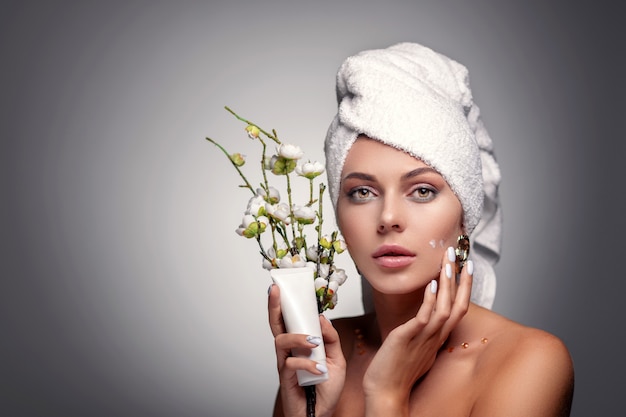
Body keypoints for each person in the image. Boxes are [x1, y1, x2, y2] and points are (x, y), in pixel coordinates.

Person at [267, 42, 574, 417]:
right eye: (362, 192)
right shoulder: (323, 354)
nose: (388, 217)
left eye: (423, 191)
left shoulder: (529, 361)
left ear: (466, 215)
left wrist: (387, 394)